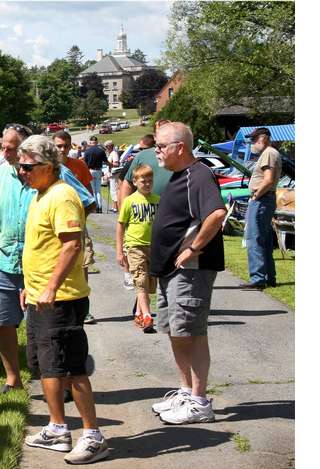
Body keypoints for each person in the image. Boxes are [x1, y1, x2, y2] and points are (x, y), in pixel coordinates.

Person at [19, 135, 109, 464]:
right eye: (19, 167)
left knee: (71, 368)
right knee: (47, 366)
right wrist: (31, 286)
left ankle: (93, 436)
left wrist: (51, 287)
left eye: (27, 167)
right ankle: (57, 429)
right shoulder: (40, 195)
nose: (22, 172)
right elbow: (43, 247)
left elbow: (71, 245)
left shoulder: (63, 196)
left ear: (48, 166)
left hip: (61, 300)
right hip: (41, 298)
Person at [149, 122, 226, 425]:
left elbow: (217, 214)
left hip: (190, 271)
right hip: (171, 270)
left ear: (179, 147)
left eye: (161, 147)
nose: (157, 152)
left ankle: (199, 401)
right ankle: (185, 391)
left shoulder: (200, 174)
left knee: (192, 333)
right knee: (177, 332)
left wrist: (192, 248)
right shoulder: (180, 175)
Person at [0, 124, 33, 394]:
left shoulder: (48, 174)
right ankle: (13, 379)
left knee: (42, 327)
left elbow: (86, 203)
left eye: (11, 148)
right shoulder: (1, 171)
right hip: (3, 259)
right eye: (2, 146)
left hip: (36, 263)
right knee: (1, 319)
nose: (4, 152)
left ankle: (59, 382)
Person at [53, 130, 98, 324]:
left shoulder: (77, 166)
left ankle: (82, 307)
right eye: (58, 146)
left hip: (76, 225)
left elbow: (89, 197)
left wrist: (80, 221)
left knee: (82, 261)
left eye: (66, 146)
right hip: (55, 227)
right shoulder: (50, 168)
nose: (62, 150)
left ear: (71, 146)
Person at [115, 164, 159, 333]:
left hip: (153, 247)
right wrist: (120, 251)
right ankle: (148, 316)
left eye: (150, 181)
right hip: (134, 246)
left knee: (149, 284)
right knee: (140, 279)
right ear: (135, 181)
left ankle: (139, 312)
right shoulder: (129, 201)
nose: (147, 184)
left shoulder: (157, 200)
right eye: (143, 181)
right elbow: (120, 226)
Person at [241, 127, 281, 289]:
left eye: (253, 141)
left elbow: (268, 180)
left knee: (254, 238)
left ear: (262, 139)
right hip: (266, 199)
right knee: (264, 240)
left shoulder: (269, 153)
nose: (252, 144)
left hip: (262, 200)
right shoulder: (270, 153)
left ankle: (258, 278)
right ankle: (269, 277)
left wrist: (256, 196)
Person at [118, 120, 172, 208]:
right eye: (161, 132)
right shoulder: (142, 156)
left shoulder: (181, 157)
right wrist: (123, 214)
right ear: (155, 136)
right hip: (143, 216)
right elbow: (127, 183)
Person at [82, 136, 109, 213]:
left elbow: (85, 163)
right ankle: (100, 207)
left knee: (93, 190)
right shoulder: (101, 151)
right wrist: (112, 165)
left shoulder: (87, 151)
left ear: (90, 142)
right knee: (98, 191)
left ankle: (95, 206)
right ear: (97, 142)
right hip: (98, 170)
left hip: (90, 171)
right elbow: (106, 162)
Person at [105, 140, 120, 213]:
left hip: (114, 174)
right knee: (112, 190)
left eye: (107, 146)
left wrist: (108, 164)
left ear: (110, 146)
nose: (106, 148)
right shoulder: (111, 153)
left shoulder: (114, 153)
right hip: (111, 174)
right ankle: (114, 206)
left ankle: (116, 207)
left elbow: (117, 164)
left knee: (114, 190)